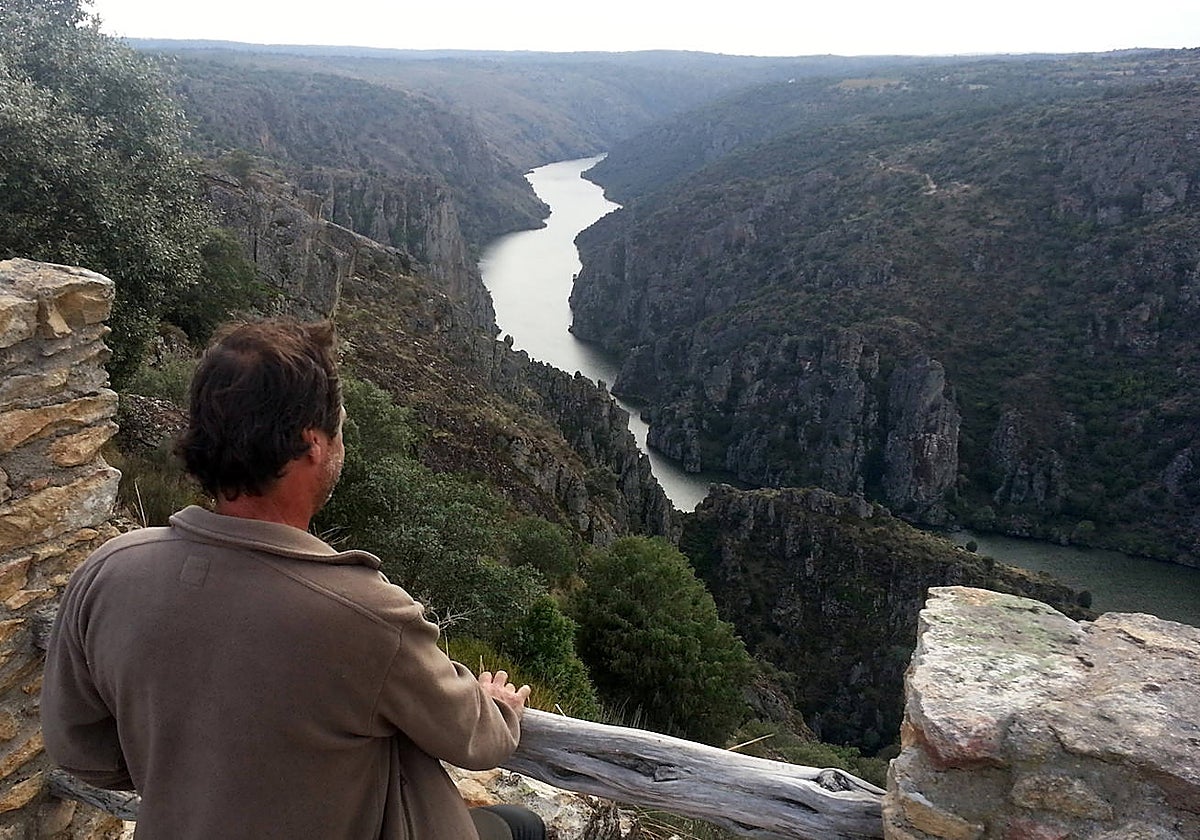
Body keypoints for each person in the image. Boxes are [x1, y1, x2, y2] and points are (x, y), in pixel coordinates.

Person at [42, 319, 546, 840]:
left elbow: (83, 751)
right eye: (340, 429)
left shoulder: (108, 572)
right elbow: (476, 740)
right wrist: (501, 710)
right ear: (313, 445)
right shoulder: (365, 615)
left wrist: (194, 772)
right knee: (520, 825)